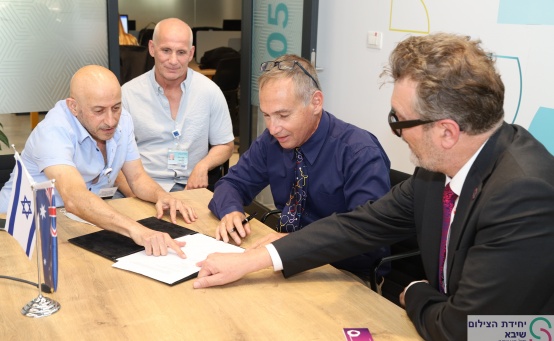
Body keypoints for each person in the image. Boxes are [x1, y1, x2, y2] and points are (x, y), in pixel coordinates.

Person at [193, 33, 554, 340]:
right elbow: (359, 224)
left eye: (399, 120)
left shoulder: (523, 193)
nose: (395, 131)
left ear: (446, 131)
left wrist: (414, 292)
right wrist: (252, 261)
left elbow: (467, 329)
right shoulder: (436, 172)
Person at [208, 54, 391, 282]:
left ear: (316, 102)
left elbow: (364, 239)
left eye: (283, 115)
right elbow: (232, 183)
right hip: (282, 260)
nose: (273, 128)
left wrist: (288, 248)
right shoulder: (272, 141)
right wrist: (231, 211)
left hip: (344, 273)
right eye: (267, 115)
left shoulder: (359, 152)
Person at [0, 65, 198, 258]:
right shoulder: (53, 131)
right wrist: (139, 231)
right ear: (74, 107)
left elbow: (137, 178)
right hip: (20, 224)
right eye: (99, 110)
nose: (111, 121)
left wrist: (161, 195)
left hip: (75, 221)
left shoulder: (124, 120)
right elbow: (74, 198)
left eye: (116, 107)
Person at [120, 18, 234, 194]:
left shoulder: (210, 91)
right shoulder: (127, 94)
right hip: (142, 188)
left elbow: (225, 145)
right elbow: (113, 158)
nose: (173, 61)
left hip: (192, 189)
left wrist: (203, 166)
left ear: (191, 53)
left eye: (181, 52)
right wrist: (137, 196)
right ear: (152, 48)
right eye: (166, 50)